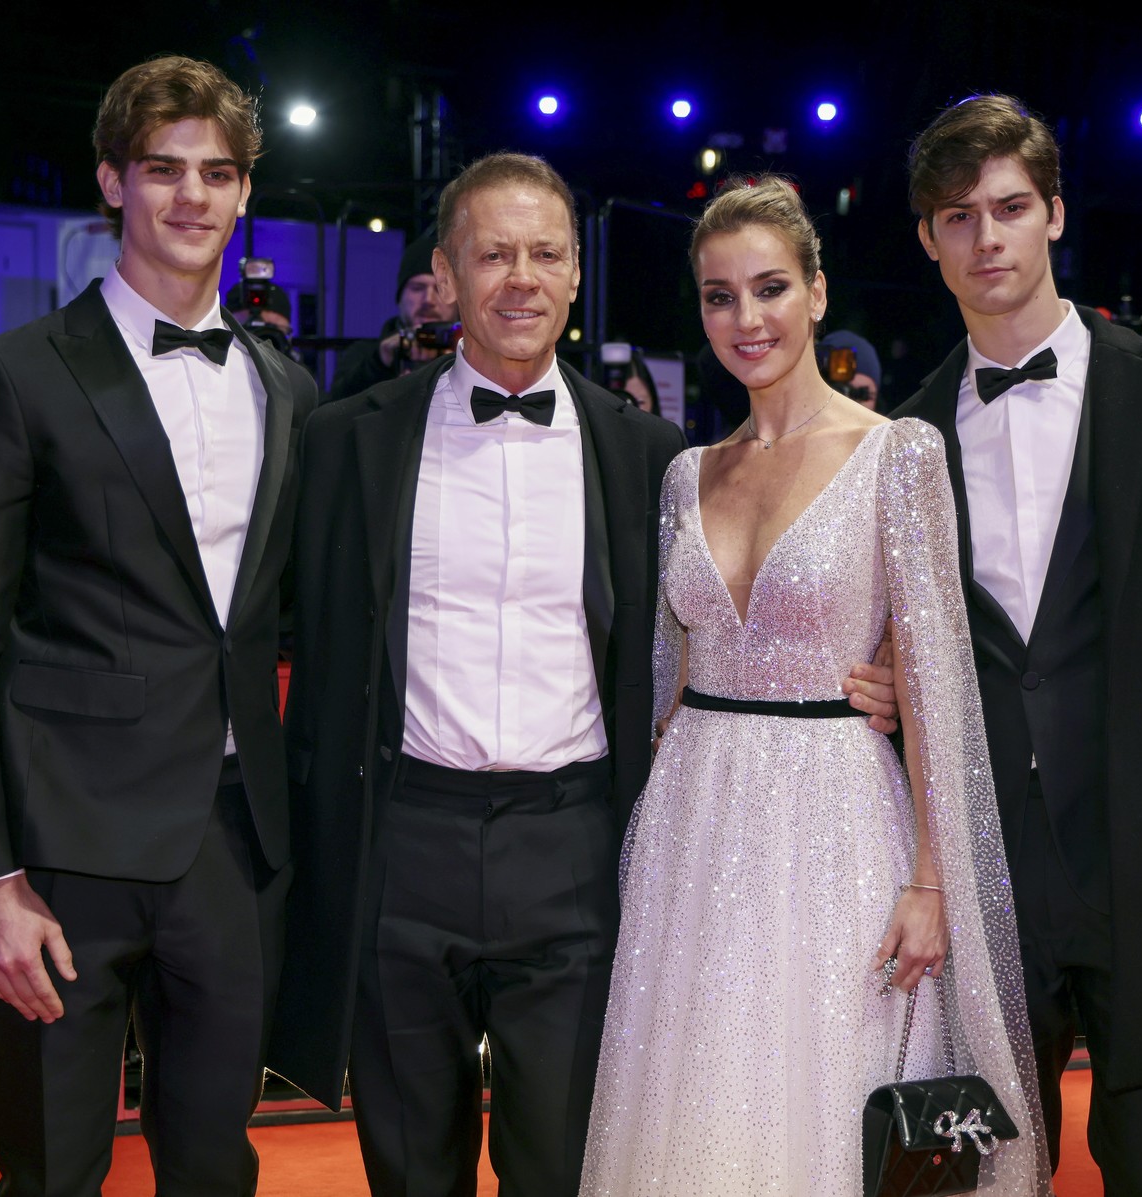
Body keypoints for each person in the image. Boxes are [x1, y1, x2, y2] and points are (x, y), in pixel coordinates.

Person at [268, 152, 903, 1195]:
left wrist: (863, 669)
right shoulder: (345, 443)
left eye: (546, 254)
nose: (521, 277)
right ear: (446, 273)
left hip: (574, 856)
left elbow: (721, 612)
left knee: (562, 1169)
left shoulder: (650, 456)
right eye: (493, 254)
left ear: (574, 277)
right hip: (398, 850)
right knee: (406, 1171)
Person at [579, 177, 1048, 1195]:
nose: (746, 319)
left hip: (836, 829)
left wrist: (932, 879)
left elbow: (932, 683)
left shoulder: (896, 456)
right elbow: (670, 682)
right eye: (718, 296)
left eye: (770, 288)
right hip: (696, 831)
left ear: (818, 294)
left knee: (824, 1107)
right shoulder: (685, 472)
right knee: (693, 1107)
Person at [0, 55, 315, 1196]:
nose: (192, 196)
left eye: (218, 173)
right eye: (163, 169)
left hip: (234, 846)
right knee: (48, 1168)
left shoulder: (288, 392)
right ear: (111, 182)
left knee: (215, 1166)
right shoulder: (13, 377)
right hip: (65, 854)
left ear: (244, 196)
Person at [891, 94, 1142, 1195]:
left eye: (1010, 208)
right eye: (958, 216)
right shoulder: (907, 437)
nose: (987, 238)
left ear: (1056, 215)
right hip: (991, 875)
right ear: (928, 238)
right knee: (982, 1181)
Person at [327, 228, 459, 401]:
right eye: (417, 288)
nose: (428, 300)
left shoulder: (477, 357)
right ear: (399, 297)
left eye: (440, 289)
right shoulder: (365, 356)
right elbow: (334, 412)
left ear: (458, 300)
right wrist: (379, 365)